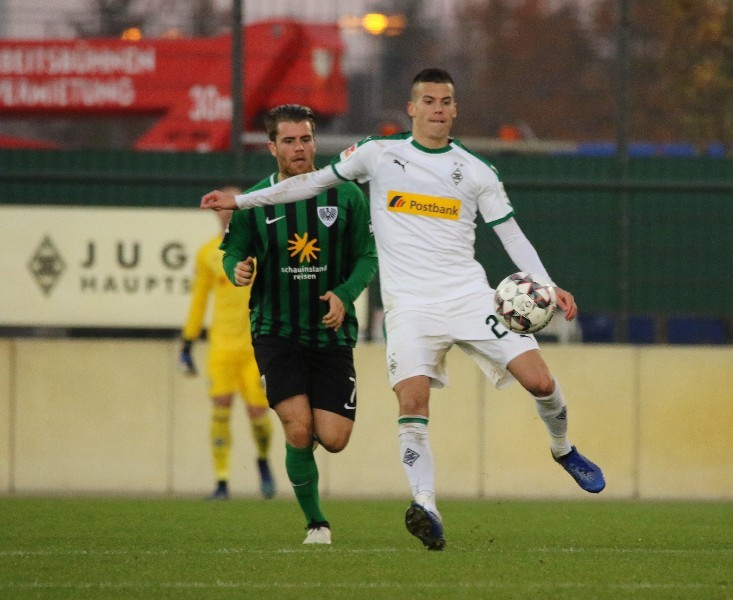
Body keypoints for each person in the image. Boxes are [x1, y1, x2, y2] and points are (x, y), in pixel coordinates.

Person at [201, 69, 605, 551]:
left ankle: (563, 448)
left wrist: (548, 284)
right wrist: (241, 202)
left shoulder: (477, 171)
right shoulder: (378, 154)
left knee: (539, 381)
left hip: (469, 296)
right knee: (411, 403)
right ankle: (426, 506)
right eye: (429, 100)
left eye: (446, 101)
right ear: (411, 109)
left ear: (455, 110)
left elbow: (510, 233)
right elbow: (306, 186)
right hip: (409, 307)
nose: (438, 108)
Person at [219, 104, 378, 545]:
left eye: (305, 139)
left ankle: (298, 458)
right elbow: (232, 251)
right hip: (276, 330)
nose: (299, 148)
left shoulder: (346, 195)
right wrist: (238, 269)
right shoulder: (254, 201)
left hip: (330, 334)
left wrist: (344, 296)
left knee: (335, 437)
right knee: (299, 428)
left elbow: (368, 256)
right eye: (288, 140)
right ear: (272, 147)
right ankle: (316, 523)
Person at [180, 195, 276, 501]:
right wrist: (187, 341)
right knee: (220, 409)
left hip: (255, 348)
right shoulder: (208, 254)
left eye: (233, 210)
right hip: (221, 346)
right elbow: (198, 300)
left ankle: (262, 459)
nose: (227, 216)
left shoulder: (262, 250)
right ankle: (221, 481)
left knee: (259, 414)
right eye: (222, 211)